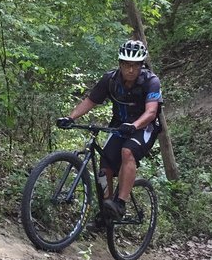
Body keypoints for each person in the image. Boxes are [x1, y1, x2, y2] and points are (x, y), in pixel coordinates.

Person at [56, 39, 163, 228]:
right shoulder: (110, 79)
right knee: (104, 167)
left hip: (145, 127)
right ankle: (106, 214)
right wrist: (71, 118)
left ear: (141, 65)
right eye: (126, 65)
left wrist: (135, 125)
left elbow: (151, 112)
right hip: (119, 126)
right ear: (120, 64)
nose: (130, 69)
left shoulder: (151, 81)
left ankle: (120, 204)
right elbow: (90, 100)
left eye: (135, 65)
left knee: (127, 152)